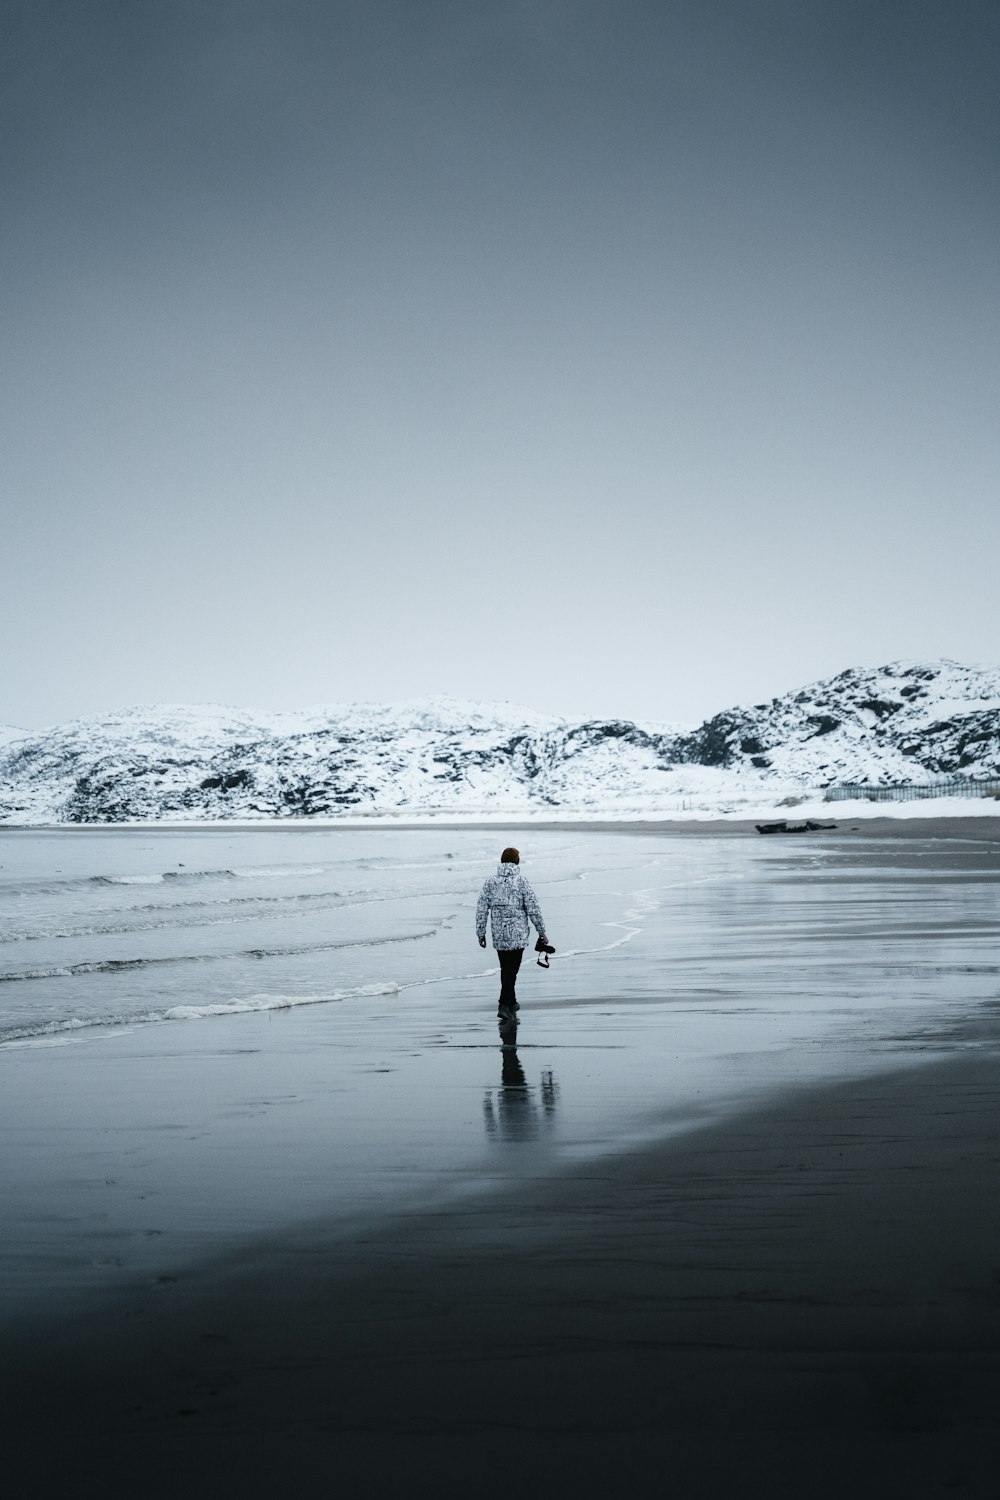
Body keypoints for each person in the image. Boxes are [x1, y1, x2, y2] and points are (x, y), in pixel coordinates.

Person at [475, 847, 550, 1016]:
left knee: (506, 969)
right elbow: (533, 908)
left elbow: (481, 909)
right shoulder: (522, 881)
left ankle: (512, 1003)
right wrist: (542, 932)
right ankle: (503, 1005)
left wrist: (481, 933)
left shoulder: (490, 882)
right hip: (518, 935)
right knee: (511, 971)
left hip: (499, 935)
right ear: (517, 861)